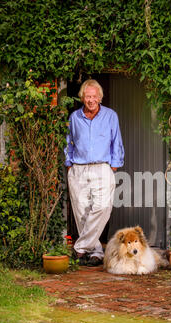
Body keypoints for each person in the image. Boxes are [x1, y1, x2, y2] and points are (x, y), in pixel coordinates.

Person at [64, 79, 124, 266]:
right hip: (78, 168)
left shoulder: (110, 116)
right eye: (87, 96)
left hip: (102, 167)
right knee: (81, 212)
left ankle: (80, 247)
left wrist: (114, 165)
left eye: (94, 96)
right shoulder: (74, 117)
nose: (91, 100)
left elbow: (117, 141)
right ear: (82, 98)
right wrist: (69, 163)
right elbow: (69, 141)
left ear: (100, 97)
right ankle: (96, 253)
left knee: (102, 207)